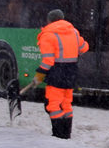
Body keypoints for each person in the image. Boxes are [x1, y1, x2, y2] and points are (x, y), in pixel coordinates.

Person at [36, 9, 89, 140]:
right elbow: (84, 47)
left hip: (56, 73)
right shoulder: (74, 32)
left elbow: (48, 61)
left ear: (49, 20)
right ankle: (67, 133)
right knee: (66, 103)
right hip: (71, 73)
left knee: (53, 105)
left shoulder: (47, 35)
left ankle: (58, 134)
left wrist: (40, 74)